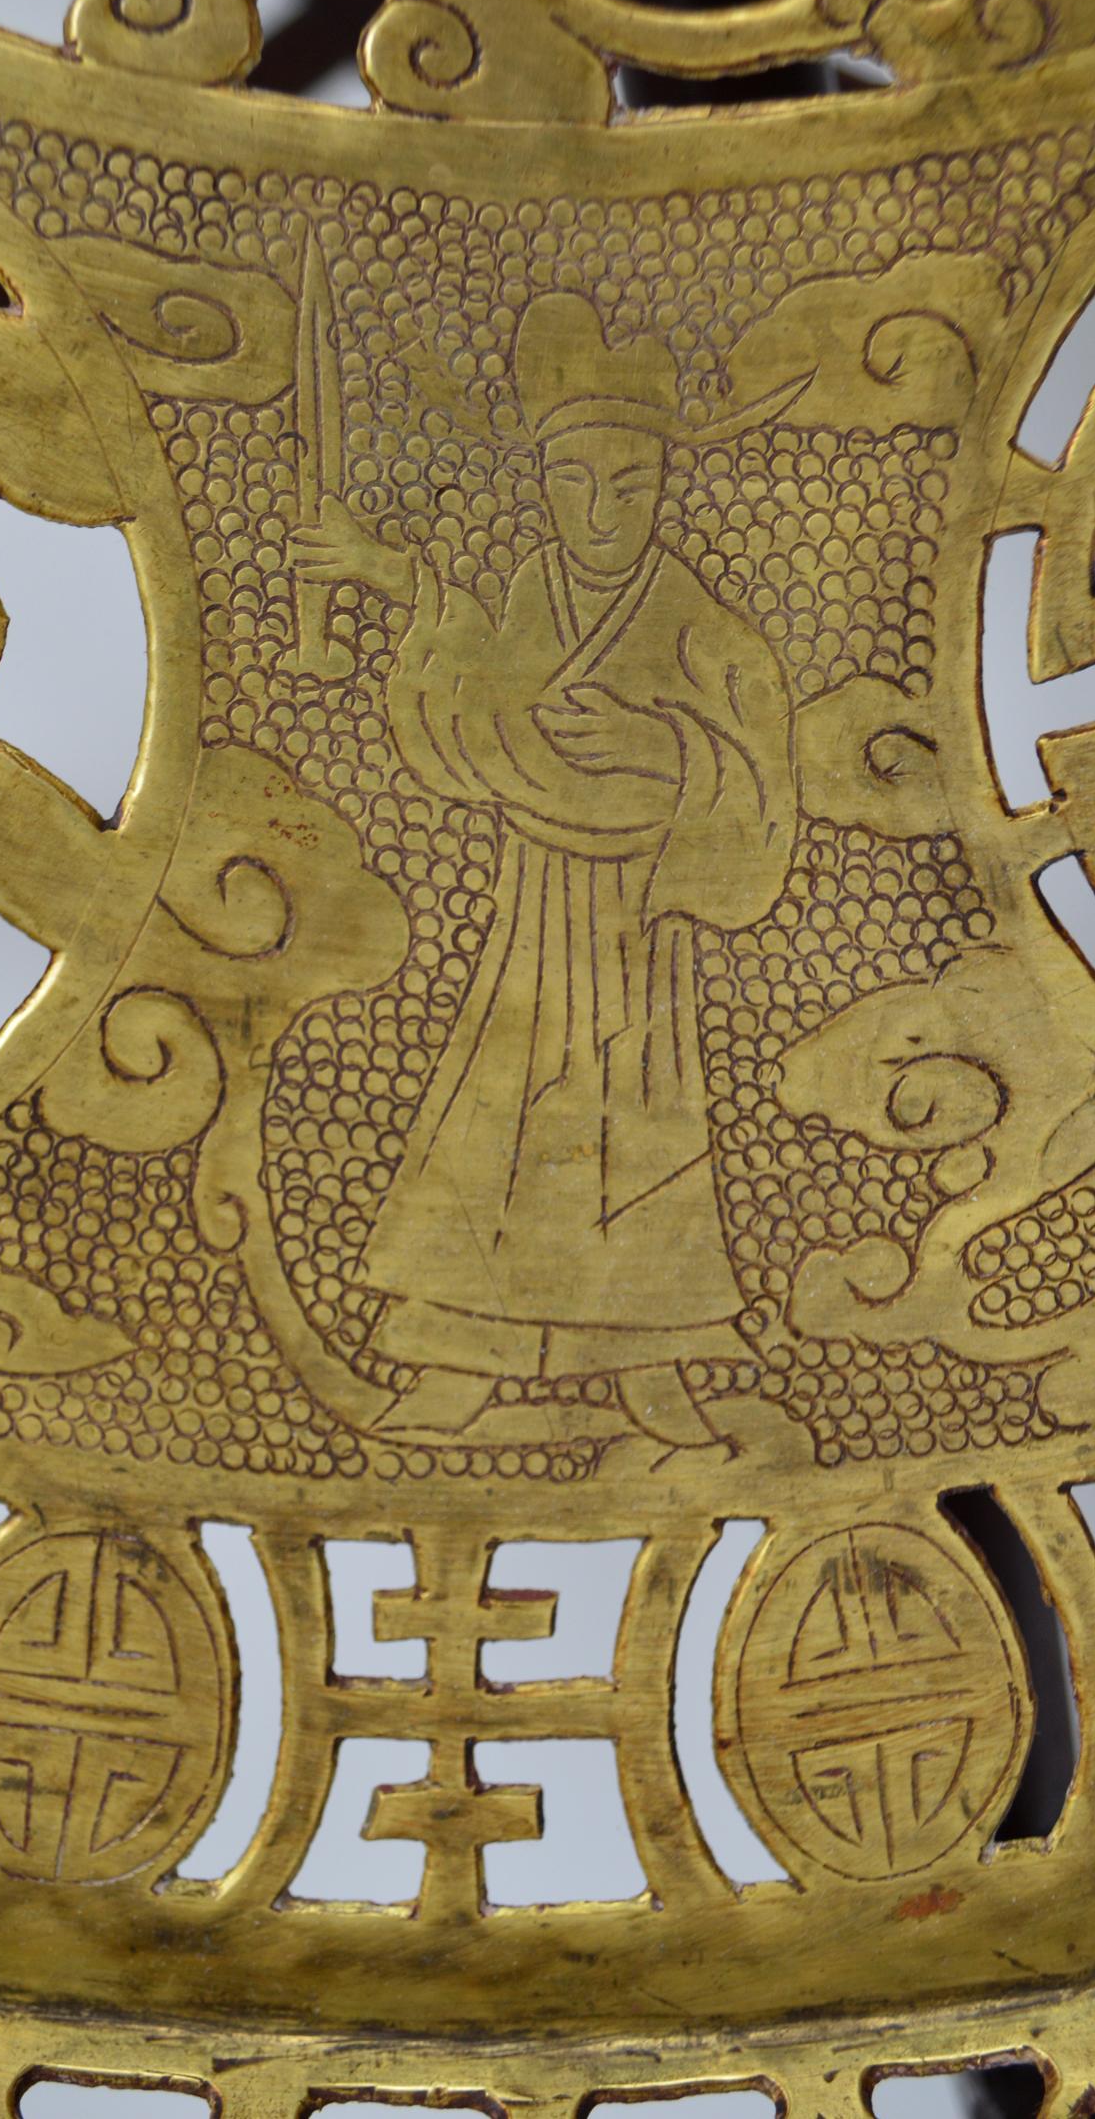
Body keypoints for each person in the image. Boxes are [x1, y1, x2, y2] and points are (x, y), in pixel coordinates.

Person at [291, 291, 800, 1436]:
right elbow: (485, 683)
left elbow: (763, 771)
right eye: (573, 483)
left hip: (636, 922)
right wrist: (388, 573)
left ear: (663, 487)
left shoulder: (695, 621)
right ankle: (460, 1358)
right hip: (536, 905)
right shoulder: (535, 589)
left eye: (629, 484)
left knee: (636, 1129)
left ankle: (650, 1365)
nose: (600, 512)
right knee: (501, 1115)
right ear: (541, 484)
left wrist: (664, 750)